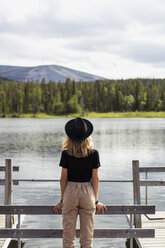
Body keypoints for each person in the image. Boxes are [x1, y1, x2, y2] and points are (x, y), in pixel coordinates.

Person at [54, 117, 107, 248]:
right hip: (88, 193)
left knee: (68, 237)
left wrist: (62, 200)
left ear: (70, 137)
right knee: (87, 238)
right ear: (87, 136)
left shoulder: (66, 154)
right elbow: (95, 178)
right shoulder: (94, 154)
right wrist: (96, 200)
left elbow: (63, 179)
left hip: (70, 192)